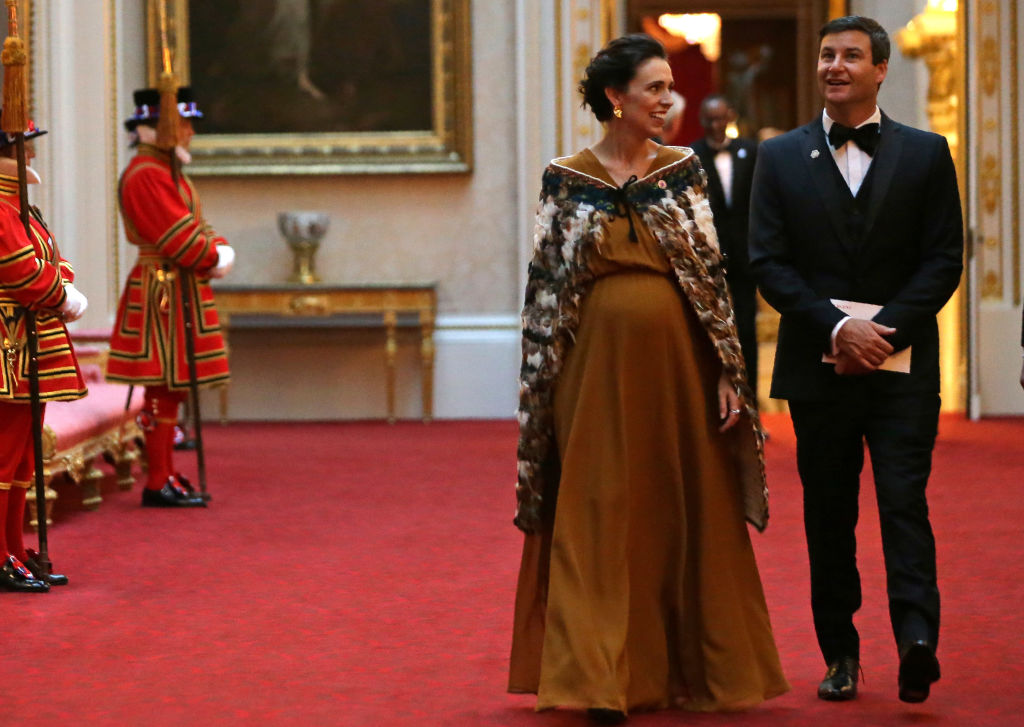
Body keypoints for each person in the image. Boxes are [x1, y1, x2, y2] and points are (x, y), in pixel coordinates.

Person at [508, 33, 789, 724]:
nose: (670, 100)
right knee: (597, 512)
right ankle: (600, 675)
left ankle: (682, 665)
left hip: (679, 369)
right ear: (616, 97)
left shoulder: (684, 171)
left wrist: (728, 372)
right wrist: (540, 391)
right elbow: (544, 291)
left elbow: (712, 280)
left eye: (670, 88)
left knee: (675, 508)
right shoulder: (564, 177)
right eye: (655, 88)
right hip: (591, 373)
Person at [749, 16, 963, 704]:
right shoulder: (779, 157)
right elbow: (768, 263)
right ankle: (840, 651)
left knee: (905, 503)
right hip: (818, 371)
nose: (834, 65)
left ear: (880, 71)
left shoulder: (928, 154)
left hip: (904, 371)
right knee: (829, 515)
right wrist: (839, 328)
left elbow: (943, 260)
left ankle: (917, 641)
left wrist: (886, 332)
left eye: (850, 56)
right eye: (826, 55)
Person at [106, 87, 235, 508]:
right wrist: (214, 254)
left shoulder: (165, 171)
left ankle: (164, 474)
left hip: (176, 285)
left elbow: (196, 225)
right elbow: (180, 239)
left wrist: (215, 247)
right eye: (184, 123)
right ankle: (157, 477)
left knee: (172, 387)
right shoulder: (146, 174)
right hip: (162, 288)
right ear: (160, 128)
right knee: (162, 384)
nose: (191, 132)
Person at [0, 120, 88, 591]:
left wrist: (62, 283)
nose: (31, 157)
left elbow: (50, 259)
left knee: (21, 460)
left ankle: (13, 548)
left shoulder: (20, 206)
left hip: (30, 337)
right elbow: (20, 272)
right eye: (24, 148)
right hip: (8, 343)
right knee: (4, 454)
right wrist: (61, 293)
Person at [690, 95, 760, 398]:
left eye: (721, 118)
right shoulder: (691, 156)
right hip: (709, 255)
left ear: (730, 116)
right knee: (710, 330)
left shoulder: (750, 150)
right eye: (710, 119)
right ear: (702, 120)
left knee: (746, 329)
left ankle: (750, 401)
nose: (716, 125)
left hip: (745, 255)